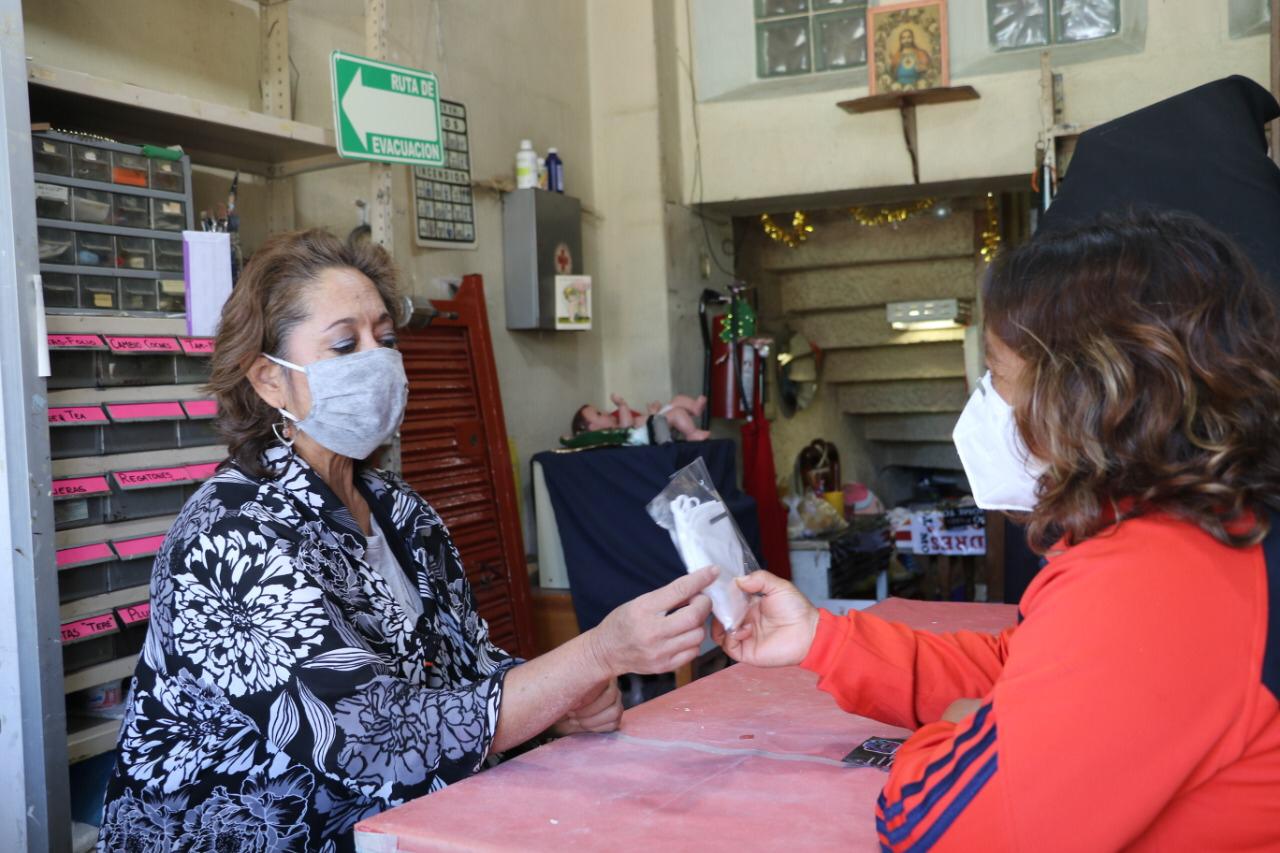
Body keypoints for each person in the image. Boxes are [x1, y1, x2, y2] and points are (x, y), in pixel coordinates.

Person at [97, 229, 717, 852]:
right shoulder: (230, 535)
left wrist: (556, 706)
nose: (378, 362)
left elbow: (469, 669)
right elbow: (372, 737)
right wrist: (596, 654)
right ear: (269, 381)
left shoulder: (399, 509)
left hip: (404, 825)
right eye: (346, 344)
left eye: (386, 340)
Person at [714, 211, 1280, 850]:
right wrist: (824, 640)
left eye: (997, 376)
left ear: (1086, 396)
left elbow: (932, 828)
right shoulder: (1196, 531)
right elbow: (1022, 667)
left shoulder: (1151, 582)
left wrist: (966, 730)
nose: (984, 401)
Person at [572, 393, 710, 442]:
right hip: (657, 434)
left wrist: (653, 413)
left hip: (655, 426)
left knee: (677, 400)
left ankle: (694, 407)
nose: (604, 412)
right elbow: (627, 427)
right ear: (593, 427)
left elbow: (643, 423)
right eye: (599, 414)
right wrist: (622, 405)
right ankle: (691, 433)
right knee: (676, 412)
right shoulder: (617, 433)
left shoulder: (618, 425)